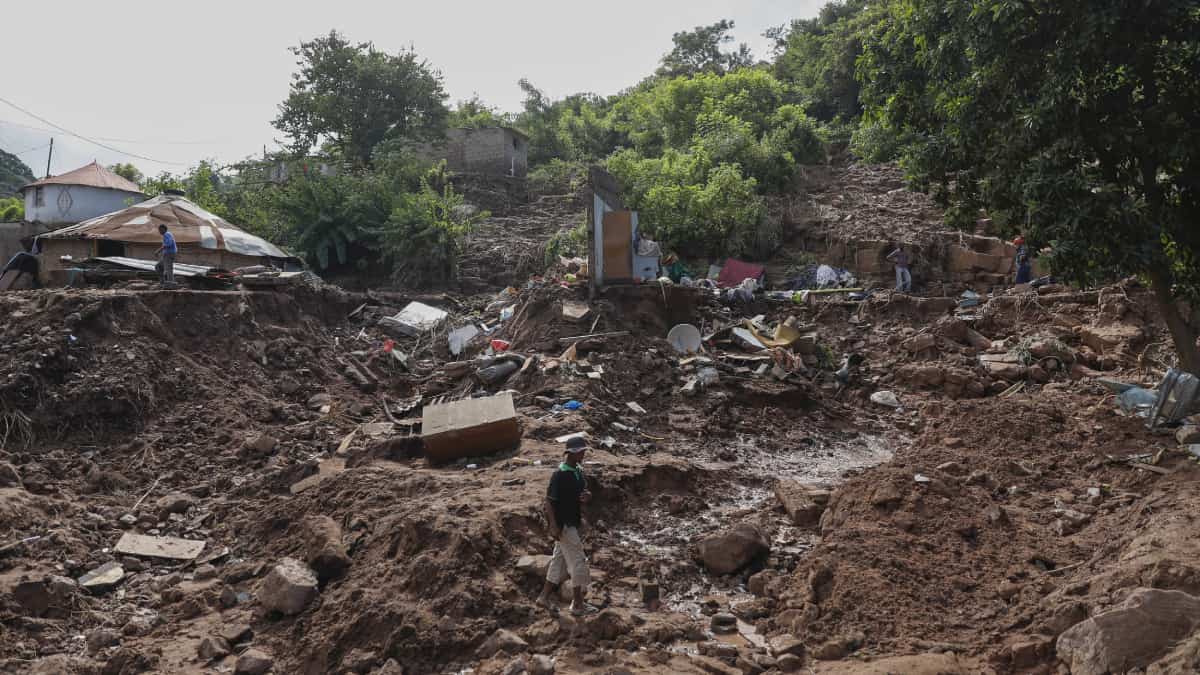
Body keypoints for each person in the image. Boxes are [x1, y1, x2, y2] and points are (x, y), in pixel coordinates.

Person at [537, 436, 597, 616]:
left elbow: (582, 493)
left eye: (584, 451)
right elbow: (549, 502)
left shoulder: (577, 470)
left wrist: (586, 496)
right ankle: (577, 604)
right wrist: (553, 525)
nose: (583, 454)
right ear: (571, 453)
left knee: (559, 560)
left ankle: (543, 597)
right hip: (563, 525)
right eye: (580, 452)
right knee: (578, 561)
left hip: (572, 521)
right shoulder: (560, 474)